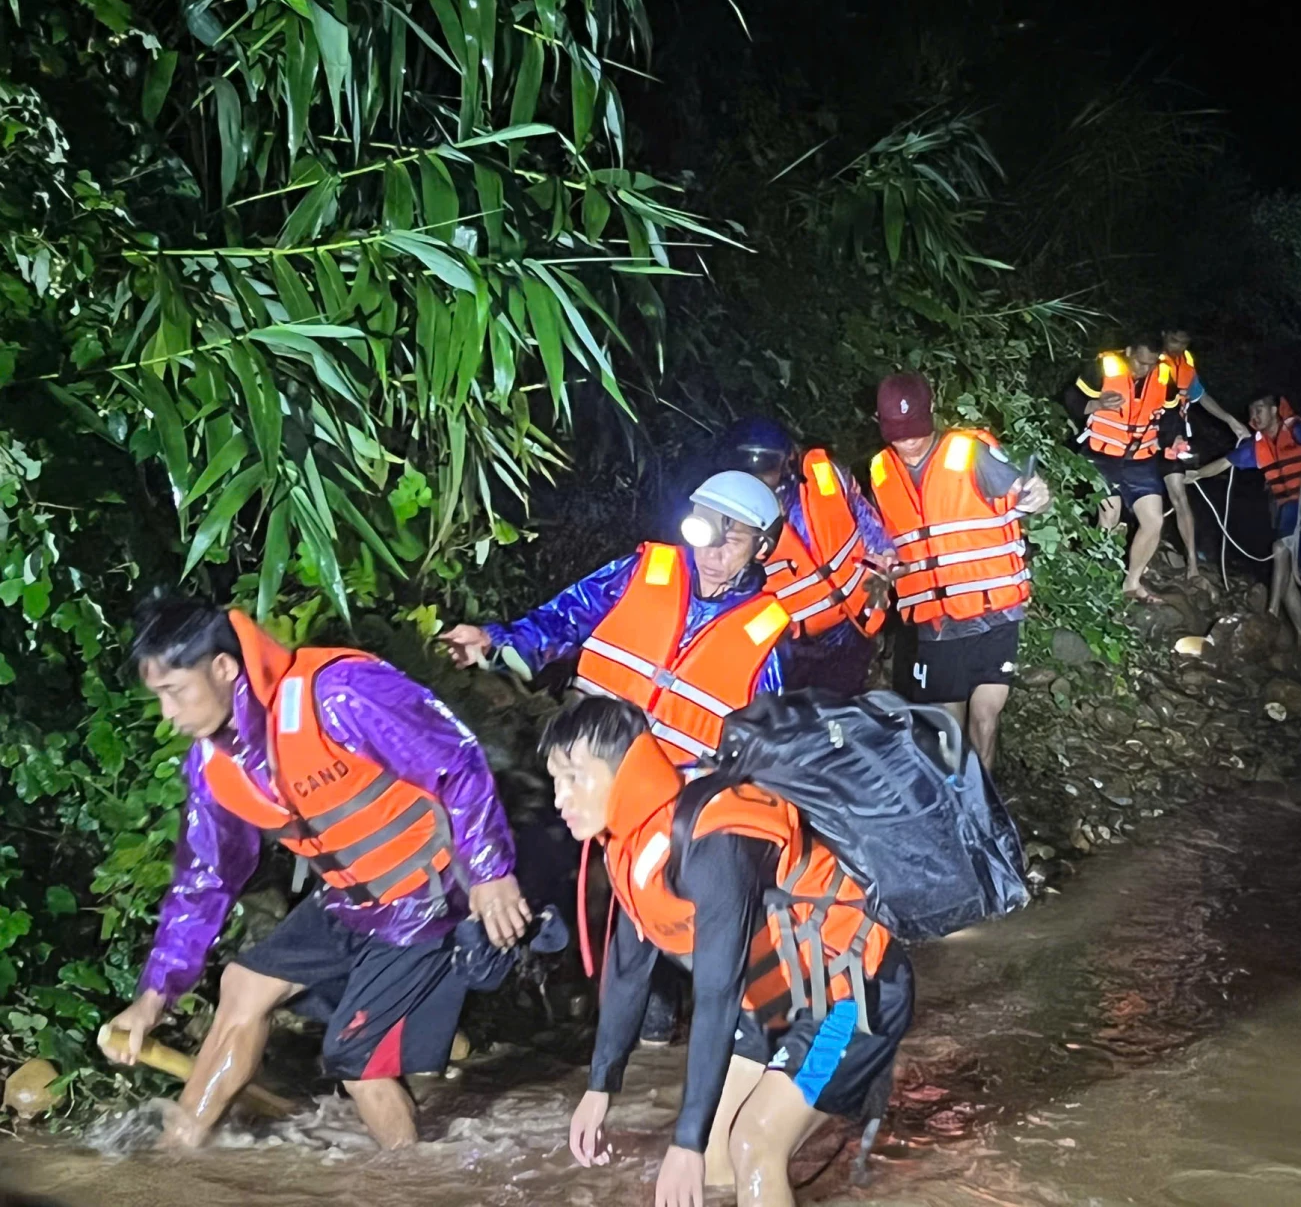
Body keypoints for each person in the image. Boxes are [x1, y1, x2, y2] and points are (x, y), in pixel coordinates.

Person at [104, 598, 526, 1149]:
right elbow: (203, 880)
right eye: (158, 696)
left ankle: (411, 1180)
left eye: (174, 691)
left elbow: (456, 760)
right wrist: (154, 996)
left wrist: (492, 870)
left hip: (430, 895)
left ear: (224, 669)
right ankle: (176, 1151)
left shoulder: (339, 691)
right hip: (352, 900)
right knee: (242, 985)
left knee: (356, 1061)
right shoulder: (213, 765)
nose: (167, 713)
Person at [548, 698, 910, 1207]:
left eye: (574, 779)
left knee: (751, 1145)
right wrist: (601, 1086)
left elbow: (716, 993)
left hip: (851, 994)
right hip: (771, 1003)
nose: (559, 799)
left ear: (624, 772)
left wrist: (685, 1142)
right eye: (555, 781)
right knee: (714, 1163)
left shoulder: (712, 843)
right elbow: (629, 972)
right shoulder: (630, 846)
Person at [441, 471, 788, 767]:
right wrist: (492, 642)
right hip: (574, 765)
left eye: (732, 540)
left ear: (761, 548)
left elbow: (763, 747)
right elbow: (562, 620)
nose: (713, 551)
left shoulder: (764, 638)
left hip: (661, 804)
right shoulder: (641, 573)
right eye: (705, 531)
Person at [869, 372, 1051, 770]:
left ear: (931, 414)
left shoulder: (970, 452)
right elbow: (875, 539)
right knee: (947, 732)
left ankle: (984, 811)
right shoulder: (880, 472)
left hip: (995, 613)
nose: (909, 444)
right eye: (898, 435)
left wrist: (1038, 493)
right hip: (937, 622)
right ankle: (956, 810)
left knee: (984, 719)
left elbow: (1026, 492)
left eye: (915, 431)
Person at [722, 416, 896, 697]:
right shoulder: (729, 516)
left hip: (851, 624)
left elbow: (862, 514)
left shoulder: (824, 477)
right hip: (790, 643)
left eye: (766, 466)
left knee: (844, 716)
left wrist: (886, 554)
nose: (757, 477)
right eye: (746, 467)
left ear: (787, 461)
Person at [1181, 394, 1301, 641]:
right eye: (1251, 411)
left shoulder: (1298, 431)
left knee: (1280, 548)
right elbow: (1225, 463)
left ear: (1275, 410)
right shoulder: (1258, 445)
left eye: (1259, 410)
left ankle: (1272, 613)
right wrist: (1196, 475)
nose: (1253, 416)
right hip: (1285, 508)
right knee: (1285, 576)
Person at [1070, 342, 1175, 603]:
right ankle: (1096, 579)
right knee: (1110, 514)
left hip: (1140, 460)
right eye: (1141, 362)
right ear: (1128, 352)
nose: (1145, 368)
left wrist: (1175, 439)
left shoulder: (1163, 374)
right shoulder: (1103, 367)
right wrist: (1096, 404)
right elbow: (1071, 400)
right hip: (1101, 455)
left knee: (1154, 521)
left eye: (1151, 362)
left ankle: (1132, 583)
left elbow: (1171, 416)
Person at [1156, 330, 1252, 581]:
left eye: (1185, 343)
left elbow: (1201, 397)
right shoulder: (1149, 358)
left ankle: (1192, 566)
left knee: (1180, 496)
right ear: (1164, 335)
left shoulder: (1186, 365)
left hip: (1174, 438)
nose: (1178, 347)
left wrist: (1231, 421)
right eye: (1175, 341)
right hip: (1144, 436)